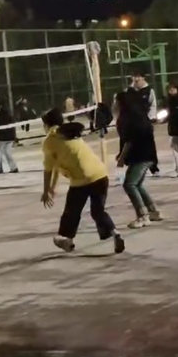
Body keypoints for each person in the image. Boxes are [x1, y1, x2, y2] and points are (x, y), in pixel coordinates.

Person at [40, 108, 124, 254]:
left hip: (81, 181)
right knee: (98, 211)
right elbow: (56, 165)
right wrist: (52, 187)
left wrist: (46, 190)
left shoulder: (50, 141)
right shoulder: (70, 132)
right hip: (100, 175)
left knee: (71, 212)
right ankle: (115, 233)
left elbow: (48, 169)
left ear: (46, 125)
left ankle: (67, 239)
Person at [115, 91, 162, 228]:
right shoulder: (139, 115)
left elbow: (129, 141)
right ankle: (153, 211)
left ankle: (142, 216)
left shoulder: (129, 119)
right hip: (147, 155)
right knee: (137, 184)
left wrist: (122, 158)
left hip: (141, 156)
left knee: (129, 184)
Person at [126, 71, 160, 175]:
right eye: (134, 78)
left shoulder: (149, 90)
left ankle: (153, 167)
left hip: (145, 122)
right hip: (133, 123)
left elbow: (153, 105)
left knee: (149, 145)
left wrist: (150, 118)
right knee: (134, 146)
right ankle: (136, 167)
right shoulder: (130, 91)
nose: (136, 80)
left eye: (138, 78)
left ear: (143, 78)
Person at [0, 98, 19, 174]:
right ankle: (14, 167)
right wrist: (14, 136)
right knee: (7, 152)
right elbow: (12, 124)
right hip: (10, 136)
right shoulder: (9, 113)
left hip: (2, 137)